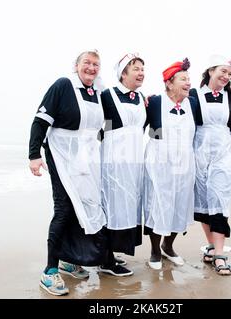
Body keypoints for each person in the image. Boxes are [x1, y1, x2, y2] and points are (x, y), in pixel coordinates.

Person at [28, 50, 107, 296]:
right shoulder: (63, 86)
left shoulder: (97, 94)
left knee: (79, 207)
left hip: (86, 158)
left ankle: (67, 260)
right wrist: (34, 155)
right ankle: (50, 271)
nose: (91, 68)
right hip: (61, 153)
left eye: (96, 64)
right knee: (63, 208)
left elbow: (101, 128)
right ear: (76, 66)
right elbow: (40, 121)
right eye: (87, 63)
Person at [189, 54, 231, 276]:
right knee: (204, 201)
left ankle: (221, 254)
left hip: (223, 152)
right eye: (223, 71)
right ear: (211, 70)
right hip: (199, 153)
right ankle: (212, 246)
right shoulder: (194, 95)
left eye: (229, 74)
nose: (226, 76)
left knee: (219, 199)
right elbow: (187, 126)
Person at [143, 58, 198, 270]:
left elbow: (202, 130)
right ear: (169, 83)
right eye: (183, 79)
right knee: (158, 204)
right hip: (159, 163)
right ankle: (155, 250)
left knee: (180, 205)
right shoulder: (155, 102)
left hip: (185, 163)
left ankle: (169, 245)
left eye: (189, 79)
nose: (188, 83)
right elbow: (140, 126)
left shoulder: (192, 103)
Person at [99, 53, 146, 276]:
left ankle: (110, 252)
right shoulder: (108, 96)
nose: (141, 73)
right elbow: (101, 128)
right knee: (111, 206)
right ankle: (105, 260)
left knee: (127, 207)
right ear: (122, 73)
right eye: (135, 68)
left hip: (134, 163)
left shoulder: (141, 98)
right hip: (114, 162)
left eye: (142, 69)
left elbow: (146, 131)